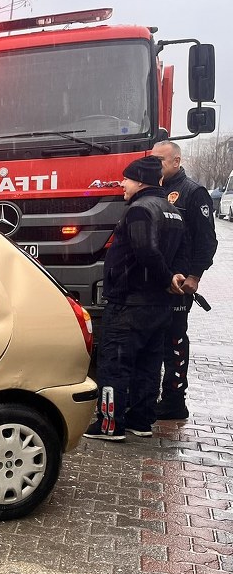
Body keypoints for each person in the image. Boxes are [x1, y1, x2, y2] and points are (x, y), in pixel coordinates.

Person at [84, 155, 187, 442]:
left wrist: (166, 277)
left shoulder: (140, 210)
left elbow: (146, 251)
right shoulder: (173, 210)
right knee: (148, 365)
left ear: (140, 180)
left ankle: (109, 425)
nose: (122, 184)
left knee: (115, 365)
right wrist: (174, 277)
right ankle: (141, 421)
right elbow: (183, 254)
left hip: (130, 302)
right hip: (159, 305)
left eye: (126, 179)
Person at [150, 140, 218, 420]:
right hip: (157, 279)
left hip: (180, 284)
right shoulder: (154, 189)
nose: (157, 165)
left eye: (162, 161)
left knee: (175, 340)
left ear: (176, 161)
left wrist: (195, 275)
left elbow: (206, 239)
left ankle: (175, 400)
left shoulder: (193, 193)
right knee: (154, 338)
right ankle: (150, 396)